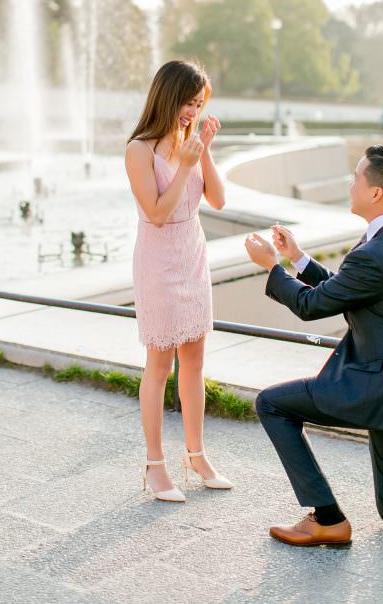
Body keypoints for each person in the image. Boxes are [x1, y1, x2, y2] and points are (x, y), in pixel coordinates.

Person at [243, 144, 383, 546]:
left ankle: (328, 518)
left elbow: (310, 305)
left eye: (357, 176)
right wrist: (298, 259)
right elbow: (348, 289)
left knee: (271, 403)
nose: (350, 183)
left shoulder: (378, 251)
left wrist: (272, 266)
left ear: (375, 193)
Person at [124, 59, 232, 502]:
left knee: (195, 360)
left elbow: (220, 201)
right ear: (168, 96)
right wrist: (185, 165)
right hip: (159, 258)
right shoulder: (139, 149)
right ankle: (154, 464)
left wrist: (202, 148)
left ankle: (197, 455)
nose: (194, 111)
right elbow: (156, 212)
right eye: (189, 102)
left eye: (200, 103)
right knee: (159, 363)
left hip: (193, 254)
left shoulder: (190, 141)